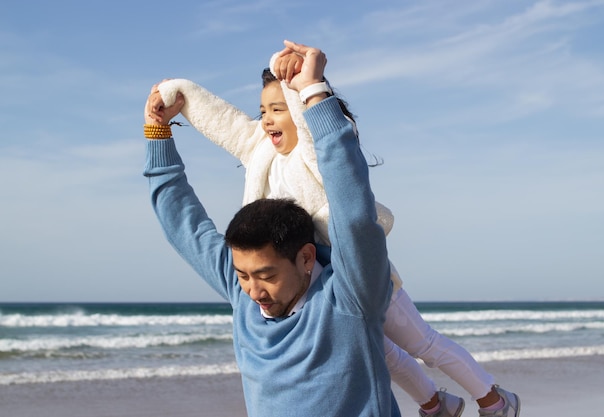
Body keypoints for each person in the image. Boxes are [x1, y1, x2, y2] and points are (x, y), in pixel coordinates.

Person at [153, 44, 521, 417]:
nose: (266, 120)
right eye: (263, 111)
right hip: (308, 284)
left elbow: (350, 201)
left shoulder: (311, 153)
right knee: (382, 353)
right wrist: (176, 101)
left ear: (298, 112)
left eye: (279, 109)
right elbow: (220, 139)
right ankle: (435, 403)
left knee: (421, 343)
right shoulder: (261, 154)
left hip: (353, 279)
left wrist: (309, 89)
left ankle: (492, 399)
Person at [143, 40, 401, 417]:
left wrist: (313, 91)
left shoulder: (349, 300)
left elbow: (354, 213)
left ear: (306, 257)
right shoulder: (243, 295)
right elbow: (182, 223)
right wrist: (157, 132)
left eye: (265, 275)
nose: (253, 290)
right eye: (244, 275)